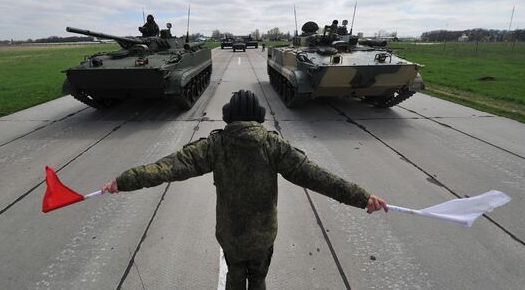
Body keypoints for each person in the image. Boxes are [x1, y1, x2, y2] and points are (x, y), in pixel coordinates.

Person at [102, 90, 388, 290]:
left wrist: (124, 181)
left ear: (229, 117)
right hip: (263, 235)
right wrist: (362, 197)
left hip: (231, 235)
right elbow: (319, 177)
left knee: (234, 276)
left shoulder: (215, 145)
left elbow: (169, 166)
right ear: (258, 116)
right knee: (259, 278)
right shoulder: (274, 146)